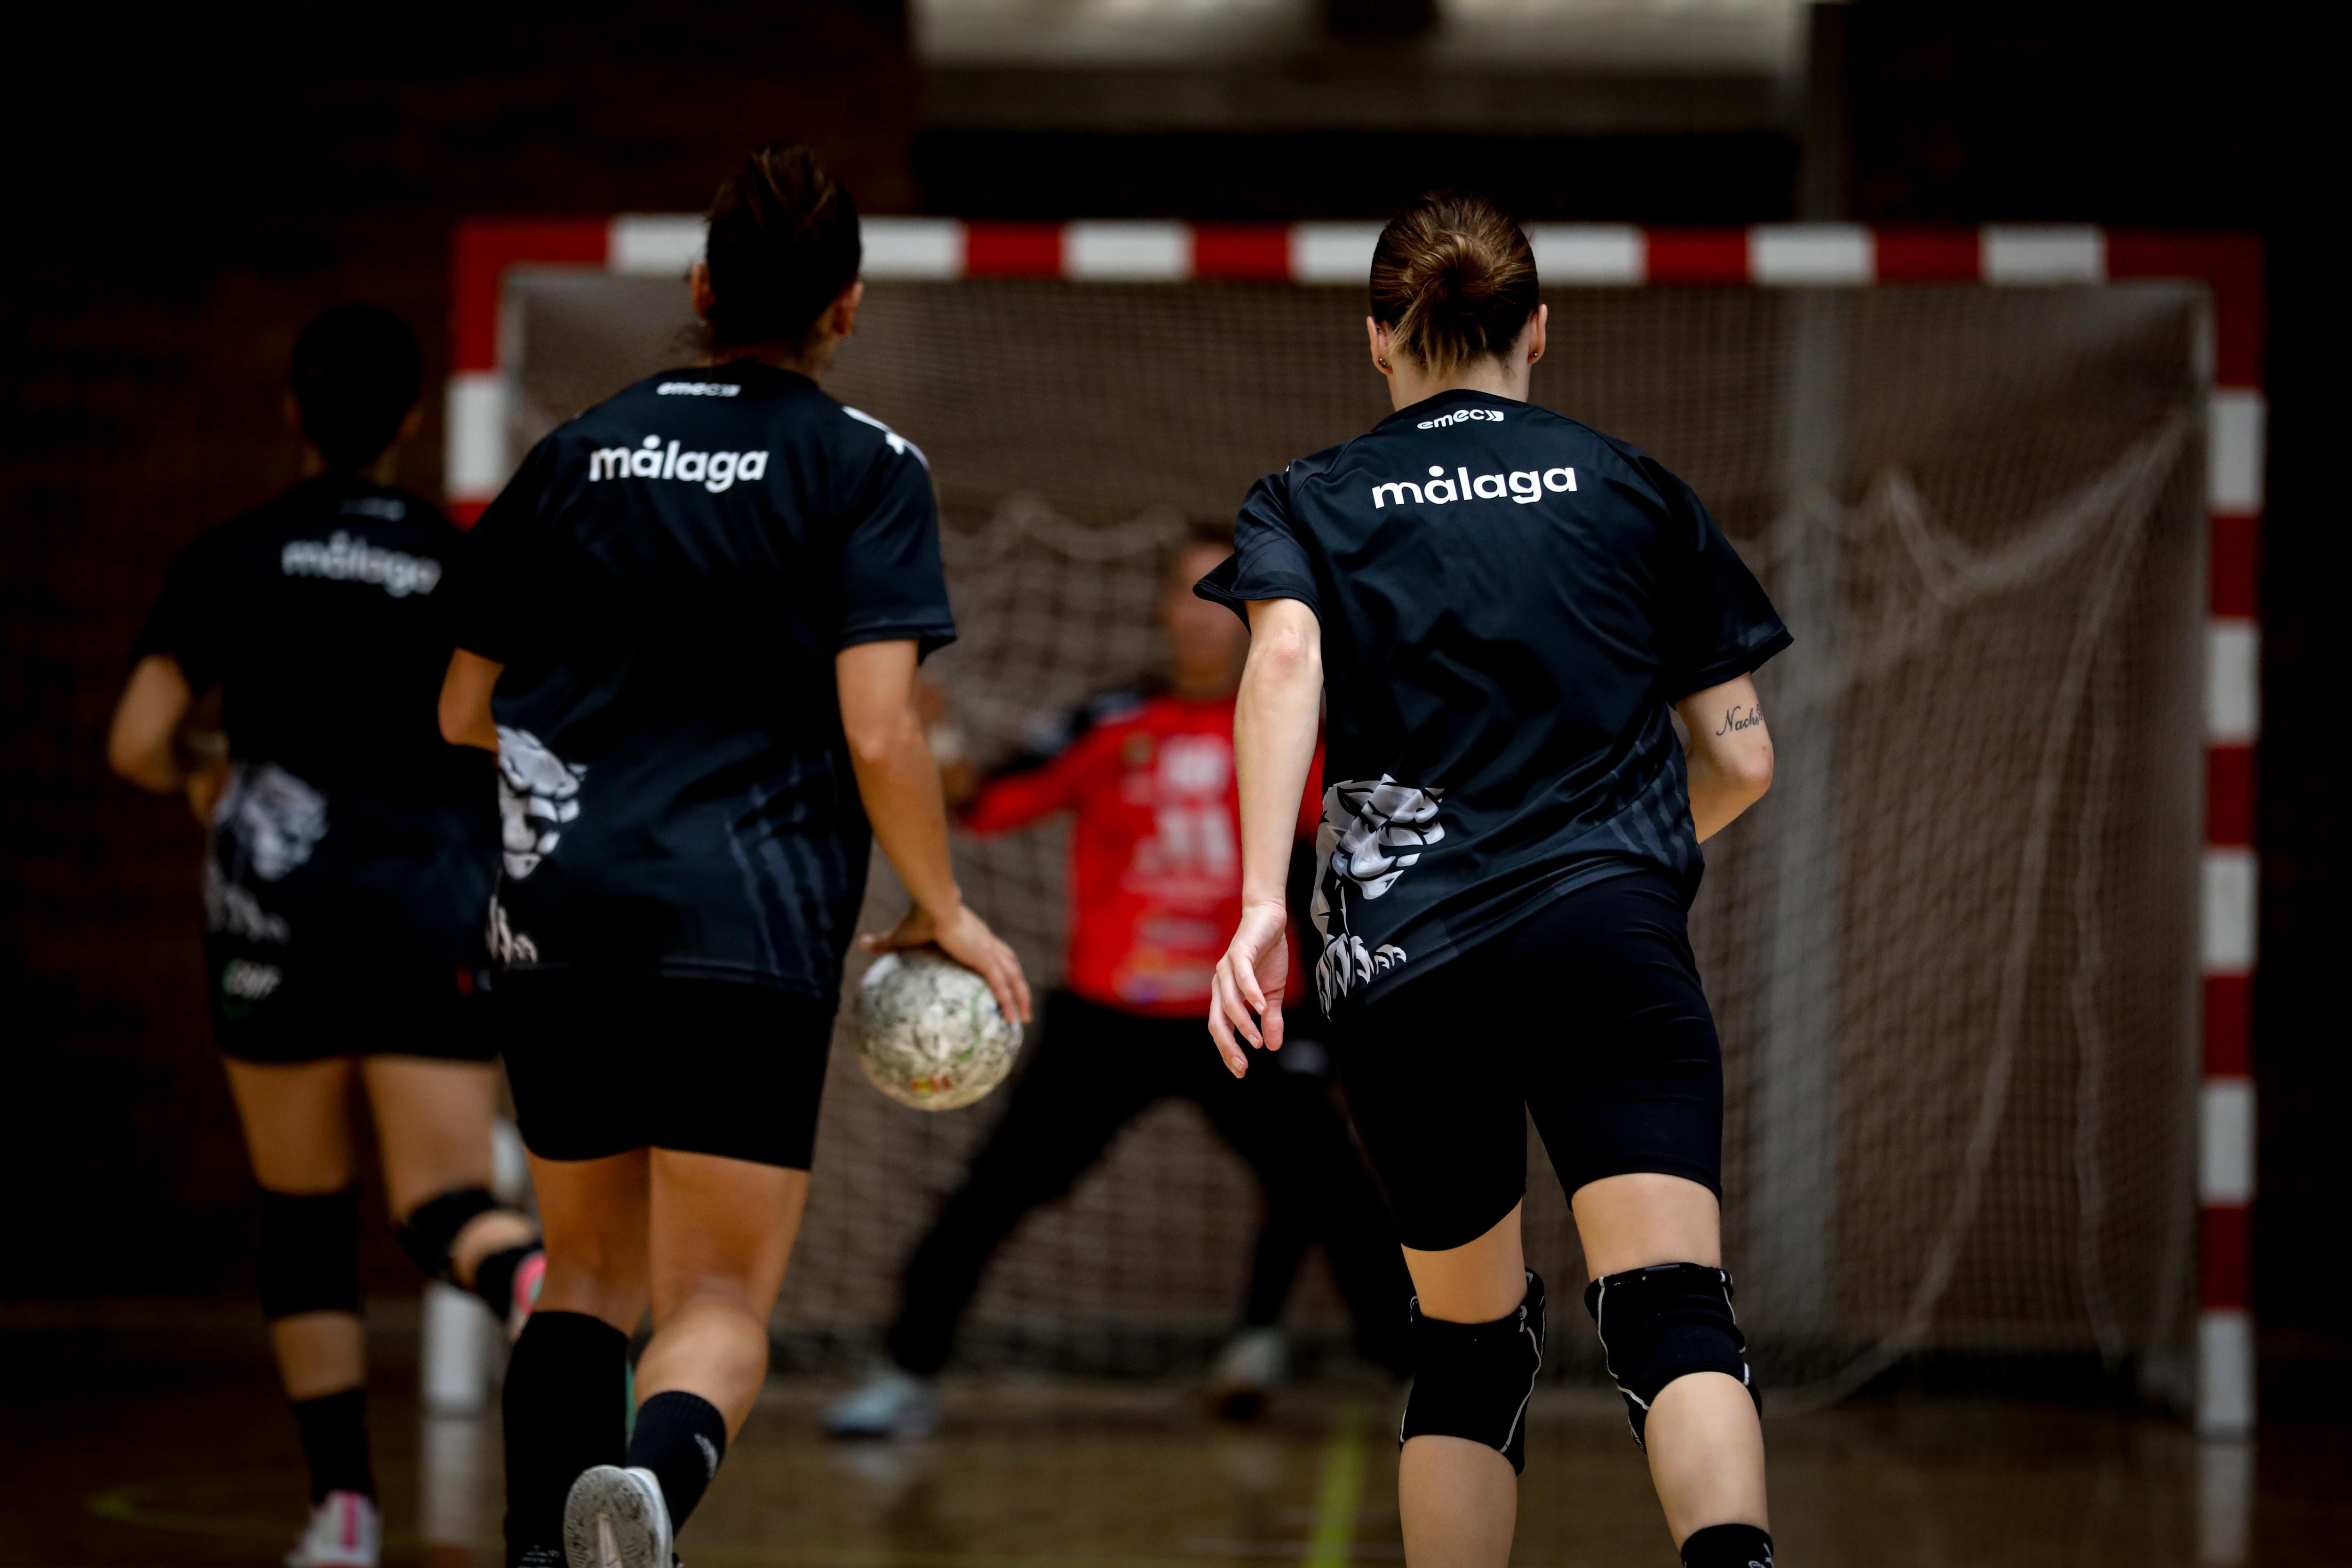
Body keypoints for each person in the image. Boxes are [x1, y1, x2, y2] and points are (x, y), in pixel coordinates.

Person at [437, 142, 1031, 1568]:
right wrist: (940, 909)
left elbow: (462, 708)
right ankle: (646, 1490)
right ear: (848, 305)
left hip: (556, 915)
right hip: (742, 927)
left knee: (578, 1271)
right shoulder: (866, 468)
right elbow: (883, 731)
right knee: (716, 1298)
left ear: (702, 286)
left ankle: (542, 1553)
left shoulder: (573, 453)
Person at [1199, 192, 1788, 1568]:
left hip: (1411, 961)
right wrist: (1627, 845)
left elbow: (1282, 662)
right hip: (1610, 930)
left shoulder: (1310, 496)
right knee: (1669, 1303)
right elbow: (1746, 760)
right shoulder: (1632, 484)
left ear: (1376, 338)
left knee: (1467, 1346)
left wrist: (1262, 907)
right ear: (1538, 328)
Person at [106, 304, 546, 1568]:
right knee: (444, 1199)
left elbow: (136, 740)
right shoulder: (469, 560)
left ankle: (343, 1512)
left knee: (303, 1211)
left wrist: (205, 779)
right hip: (430, 907)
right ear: (412, 419)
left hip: (274, 914)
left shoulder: (232, 552)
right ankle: (523, 1281)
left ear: (295, 408)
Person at [823, 530, 1412, 1440]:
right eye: (1188, 592)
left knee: (1343, 1197)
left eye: (1225, 596)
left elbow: (1363, 846)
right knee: (996, 1190)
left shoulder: (1294, 730)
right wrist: (931, 741)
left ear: (1258, 618)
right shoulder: (1109, 724)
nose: (1204, 616)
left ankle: (1422, 1379)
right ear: (1162, 609)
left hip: (1243, 1011)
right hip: (1109, 1015)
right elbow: (983, 801)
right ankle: (906, 1371)